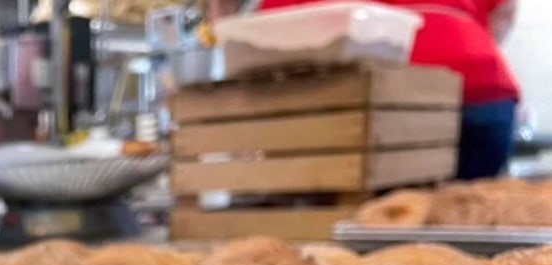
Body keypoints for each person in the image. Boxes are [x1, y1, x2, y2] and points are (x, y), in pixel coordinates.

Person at [206, 1, 521, 179]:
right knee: (468, 241)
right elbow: (505, 9)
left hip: (356, 103)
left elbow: (226, 19)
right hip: (479, 81)